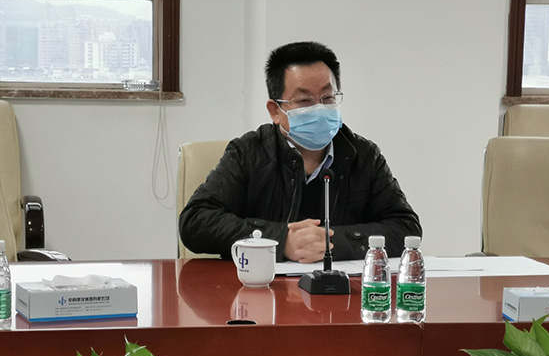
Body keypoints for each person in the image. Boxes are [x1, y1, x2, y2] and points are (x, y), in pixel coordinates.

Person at [179, 41, 421, 263]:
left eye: (328, 98)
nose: (319, 109)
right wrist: (281, 240)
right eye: (304, 101)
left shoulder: (364, 155)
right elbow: (195, 222)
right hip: (261, 288)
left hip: (341, 290)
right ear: (275, 111)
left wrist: (330, 242)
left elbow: (406, 228)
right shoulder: (248, 153)